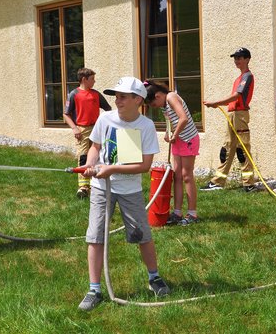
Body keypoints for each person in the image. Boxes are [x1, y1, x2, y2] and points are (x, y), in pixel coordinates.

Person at [77, 76, 170, 311]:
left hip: (130, 190)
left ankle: (154, 278)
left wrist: (111, 169)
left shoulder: (145, 126)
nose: (117, 100)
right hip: (101, 190)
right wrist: (91, 164)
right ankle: (94, 289)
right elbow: (95, 147)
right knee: (95, 236)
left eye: (123, 96)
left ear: (137, 100)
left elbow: (145, 165)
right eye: (116, 96)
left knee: (142, 234)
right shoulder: (105, 118)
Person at [144, 80, 200, 225]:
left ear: (157, 96)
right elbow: (171, 121)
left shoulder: (171, 97)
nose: (154, 107)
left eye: (153, 104)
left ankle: (192, 214)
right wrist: (169, 133)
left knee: (187, 175)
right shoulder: (164, 104)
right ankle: (177, 212)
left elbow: (184, 118)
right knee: (177, 176)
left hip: (188, 139)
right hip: (178, 139)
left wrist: (175, 134)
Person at [201, 47, 256, 192]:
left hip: (240, 115)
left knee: (242, 149)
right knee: (227, 148)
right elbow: (232, 100)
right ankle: (218, 182)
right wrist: (216, 104)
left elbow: (237, 96)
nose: (236, 61)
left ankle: (249, 183)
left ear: (247, 59)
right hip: (233, 114)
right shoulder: (239, 78)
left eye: (239, 58)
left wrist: (216, 103)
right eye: (235, 58)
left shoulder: (247, 76)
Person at [63, 68, 112, 198]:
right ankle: (83, 186)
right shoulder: (74, 94)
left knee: (98, 154)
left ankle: (96, 180)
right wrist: (74, 128)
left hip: (97, 128)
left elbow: (108, 109)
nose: (94, 81)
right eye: (92, 79)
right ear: (84, 79)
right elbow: (66, 114)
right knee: (83, 156)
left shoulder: (96, 94)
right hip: (82, 130)